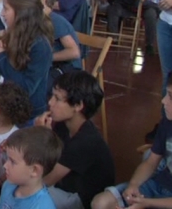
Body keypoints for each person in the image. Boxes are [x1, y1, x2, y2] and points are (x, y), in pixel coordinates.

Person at [92, 63, 172, 209]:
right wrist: (133, 186)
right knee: (100, 203)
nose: (163, 101)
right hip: (158, 186)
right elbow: (151, 162)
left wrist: (146, 204)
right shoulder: (170, 122)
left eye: (171, 97)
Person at [34, 71, 115, 209]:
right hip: (66, 186)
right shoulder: (63, 124)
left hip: (81, 199)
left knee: (26, 192)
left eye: (57, 99)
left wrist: (41, 135)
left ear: (78, 105)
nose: (50, 102)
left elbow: (45, 180)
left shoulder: (85, 141)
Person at [0, 0, 53, 119]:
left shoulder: (41, 46)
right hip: (7, 105)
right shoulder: (12, 34)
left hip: (28, 113)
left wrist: (0, 58)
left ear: (21, 13)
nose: (2, 13)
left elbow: (26, 88)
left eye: (6, 8)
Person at [0, 126, 62, 209]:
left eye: (12, 162)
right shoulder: (8, 185)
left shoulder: (42, 206)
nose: (5, 165)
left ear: (34, 170)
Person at [34, 0, 82, 88]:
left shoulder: (56, 21)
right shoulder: (39, 19)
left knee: (39, 84)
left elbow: (74, 52)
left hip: (68, 68)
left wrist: (48, 57)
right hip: (53, 65)